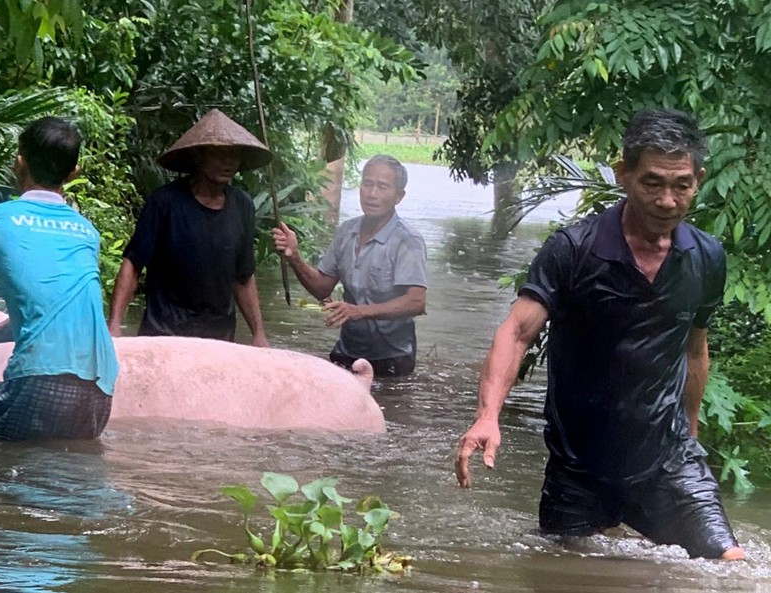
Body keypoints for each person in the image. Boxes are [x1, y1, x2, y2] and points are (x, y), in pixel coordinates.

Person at [455, 108, 745, 560]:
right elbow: (516, 332)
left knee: (732, 569)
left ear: (698, 180)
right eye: (652, 182)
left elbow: (694, 349)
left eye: (681, 185)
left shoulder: (706, 257)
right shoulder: (573, 249)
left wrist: (689, 432)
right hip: (579, 466)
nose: (668, 200)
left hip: (668, 459)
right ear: (624, 174)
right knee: (562, 570)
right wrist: (488, 415)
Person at [0, 117, 119, 441]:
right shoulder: (86, 232)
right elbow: (52, 310)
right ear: (73, 173)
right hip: (101, 384)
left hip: (41, 377)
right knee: (64, 471)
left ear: (18, 161)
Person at [108, 109, 270, 346]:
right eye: (219, 155)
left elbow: (243, 277)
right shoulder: (165, 202)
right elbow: (133, 264)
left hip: (219, 337)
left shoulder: (242, 205)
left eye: (234, 156)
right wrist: (114, 325)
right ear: (198, 156)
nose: (228, 163)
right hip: (165, 333)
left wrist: (259, 333)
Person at [272, 154, 427, 378]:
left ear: (399, 196)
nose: (372, 194)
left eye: (382, 187)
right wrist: (295, 257)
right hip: (347, 351)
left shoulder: (408, 240)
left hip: (391, 357)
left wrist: (359, 311)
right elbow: (321, 288)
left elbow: (416, 301)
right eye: (367, 184)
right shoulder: (347, 232)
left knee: (389, 410)